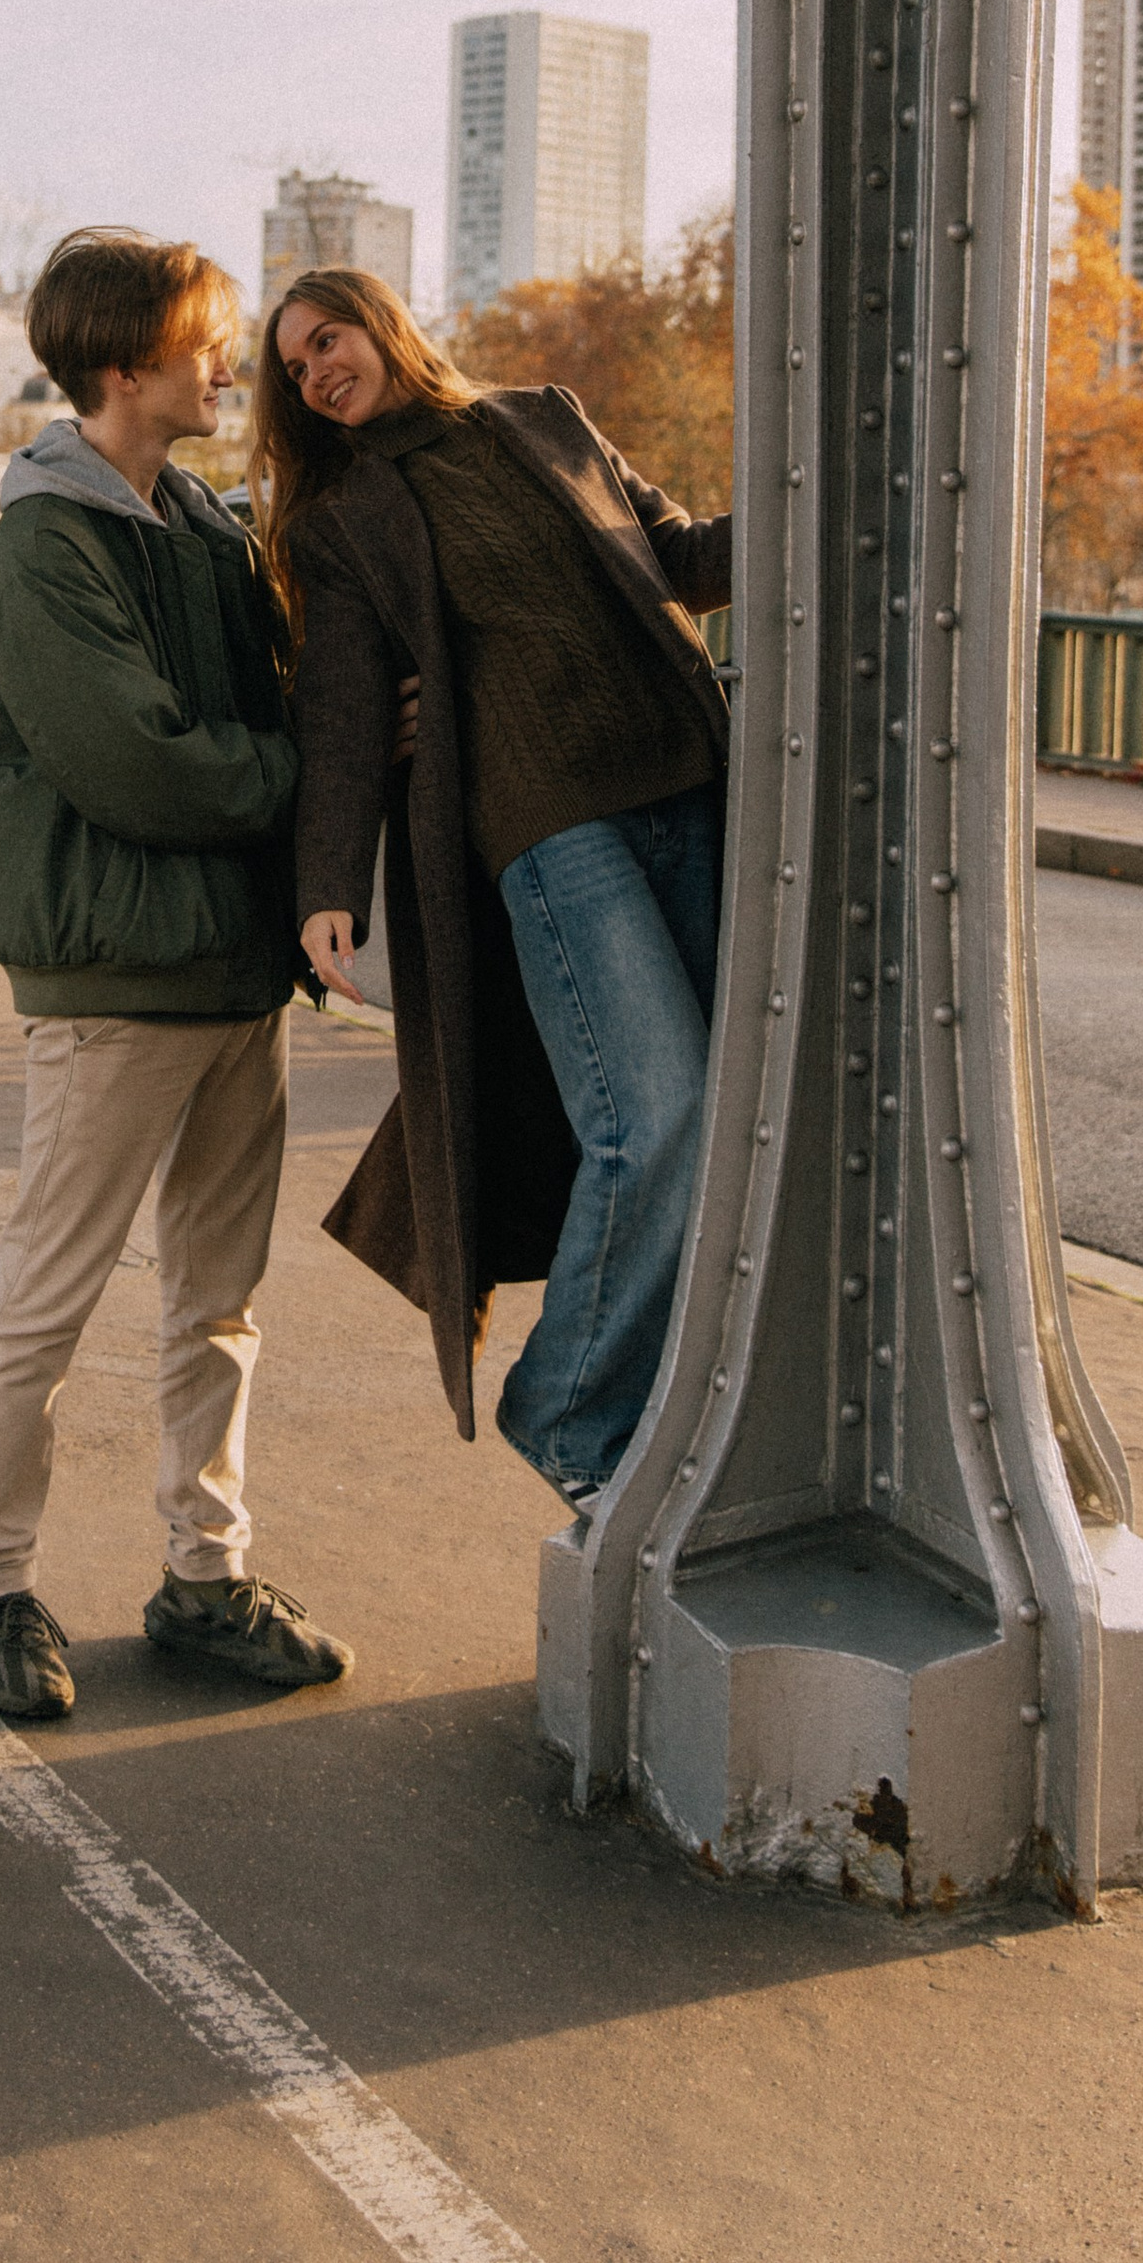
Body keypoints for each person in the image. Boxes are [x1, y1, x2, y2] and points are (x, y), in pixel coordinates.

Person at [0, 226, 353, 1724]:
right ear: (126, 366)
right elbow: (143, 765)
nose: (225, 363)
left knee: (220, 1303)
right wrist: (314, 775)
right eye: (203, 341)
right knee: (47, 1302)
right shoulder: (42, 549)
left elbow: (281, 686)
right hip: (114, 982)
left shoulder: (204, 530)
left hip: (234, 980)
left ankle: (205, 1577)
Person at [253, 266, 733, 1515]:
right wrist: (328, 883)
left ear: (381, 323)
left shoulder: (543, 419)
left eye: (327, 338)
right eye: (294, 365)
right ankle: (568, 1412)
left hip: (684, 787)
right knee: (656, 1113)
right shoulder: (344, 514)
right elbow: (348, 707)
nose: (313, 372)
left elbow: (673, 555)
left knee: (727, 1116)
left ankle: (677, 1409)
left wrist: (813, 509)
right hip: (542, 827)